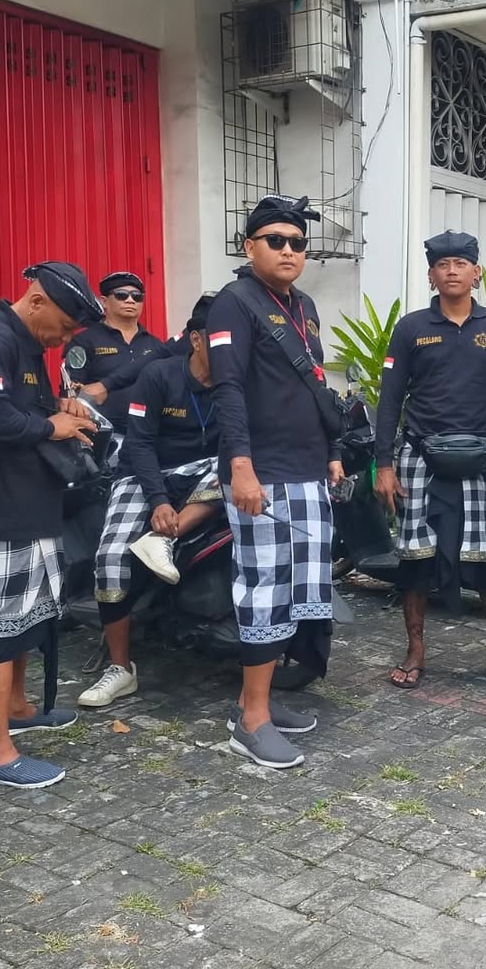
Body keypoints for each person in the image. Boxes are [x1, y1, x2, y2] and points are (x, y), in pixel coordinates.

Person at [207, 193, 340, 769]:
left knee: (295, 594)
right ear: (249, 246)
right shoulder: (232, 305)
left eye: (298, 243)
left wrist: (333, 452)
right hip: (263, 475)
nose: (289, 251)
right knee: (264, 593)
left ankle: (253, 701)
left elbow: (314, 382)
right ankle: (251, 720)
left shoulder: (303, 304)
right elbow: (228, 389)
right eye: (276, 241)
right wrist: (240, 465)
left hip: (308, 470)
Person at [374, 231, 486, 691]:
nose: (453, 271)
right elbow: (389, 399)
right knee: (415, 559)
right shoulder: (411, 327)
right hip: (419, 457)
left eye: (462, 263)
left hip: (481, 458)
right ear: (431, 274)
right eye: (444, 265)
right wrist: (384, 464)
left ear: (476, 273)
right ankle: (416, 649)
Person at [0, 262, 102, 788]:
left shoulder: (30, 348)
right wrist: (49, 424)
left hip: (33, 507)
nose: (68, 337)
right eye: (67, 325)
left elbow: (20, 408)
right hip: (0, 512)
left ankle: (17, 708)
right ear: (36, 302)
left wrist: (61, 408)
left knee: (25, 622)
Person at [79, 294, 222, 709]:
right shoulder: (159, 375)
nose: (232, 352)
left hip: (206, 471)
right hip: (147, 473)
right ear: (196, 339)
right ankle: (121, 668)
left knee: (236, 465)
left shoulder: (239, 382)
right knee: (109, 559)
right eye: (221, 341)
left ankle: (165, 540)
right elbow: (139, 445)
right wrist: (159, 500)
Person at [65, 271, 167, 435]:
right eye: (121, 295)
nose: (130, 300)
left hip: (150, 435)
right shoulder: (84, 341)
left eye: (137, 296)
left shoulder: (156, 346)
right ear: (104, 302)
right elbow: (73, 392)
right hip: (103, 435)